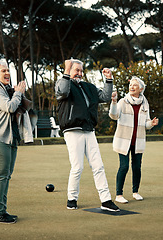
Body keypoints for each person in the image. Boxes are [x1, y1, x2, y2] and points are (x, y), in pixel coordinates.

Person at [55, 59, 120, 212]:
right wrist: (65, 70)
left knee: (98, 166)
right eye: (76, 70)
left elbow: (104, 96)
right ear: (69, 71)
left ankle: (106, 200)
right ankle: (72, 198)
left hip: (89, 130)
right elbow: (63, 91)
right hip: (72, 130)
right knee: (77, 167)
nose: (79, 73)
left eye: (81, 70)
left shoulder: (88, 87)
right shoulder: (63, 83)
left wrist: (109, 79)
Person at [0, 59, 30, 224]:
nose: (7, 73)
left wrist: (18, 93)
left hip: (9, 137)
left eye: (8, 70)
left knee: (6, 175)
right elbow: (10, 107)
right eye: (3, 71)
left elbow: (17, 109)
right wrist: (18, 93)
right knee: (1, 175)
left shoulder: (5, 90)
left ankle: (0, 210)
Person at [109, 77, 159, 203]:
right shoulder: (122, 101)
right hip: (123, 140)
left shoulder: (144, 103)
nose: (132, 87)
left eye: (135, 85)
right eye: (130, 84)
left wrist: (151, 123)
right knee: (124, 166)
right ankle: (118, 195)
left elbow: (145, 124)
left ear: (141, 89)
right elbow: (114, 116)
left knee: (137, 167)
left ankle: (135, 192)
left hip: (138, 141)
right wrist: (114, 102)